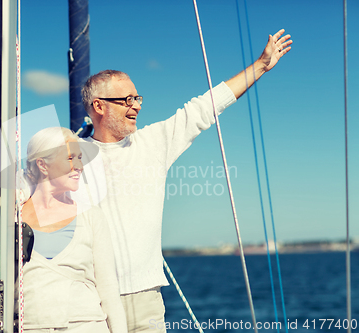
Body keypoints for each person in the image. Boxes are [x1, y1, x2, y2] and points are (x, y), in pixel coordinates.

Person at [79, 29, 292, 332]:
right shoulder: (72, 157)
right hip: (92, 302)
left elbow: (204, 108)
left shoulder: (152, 143)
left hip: (146, 301)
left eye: (137, 98)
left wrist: (260, 65)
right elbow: (26, 198)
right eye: (127, 100)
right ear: (99, 106)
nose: (136, 106)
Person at [0, 127, 127, 333]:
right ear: (42, 164)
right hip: (30, 327)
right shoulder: (9, 218)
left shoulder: (92, 217)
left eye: (80, 158)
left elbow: (110, 293)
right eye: (70, 158)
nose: (79, 166)